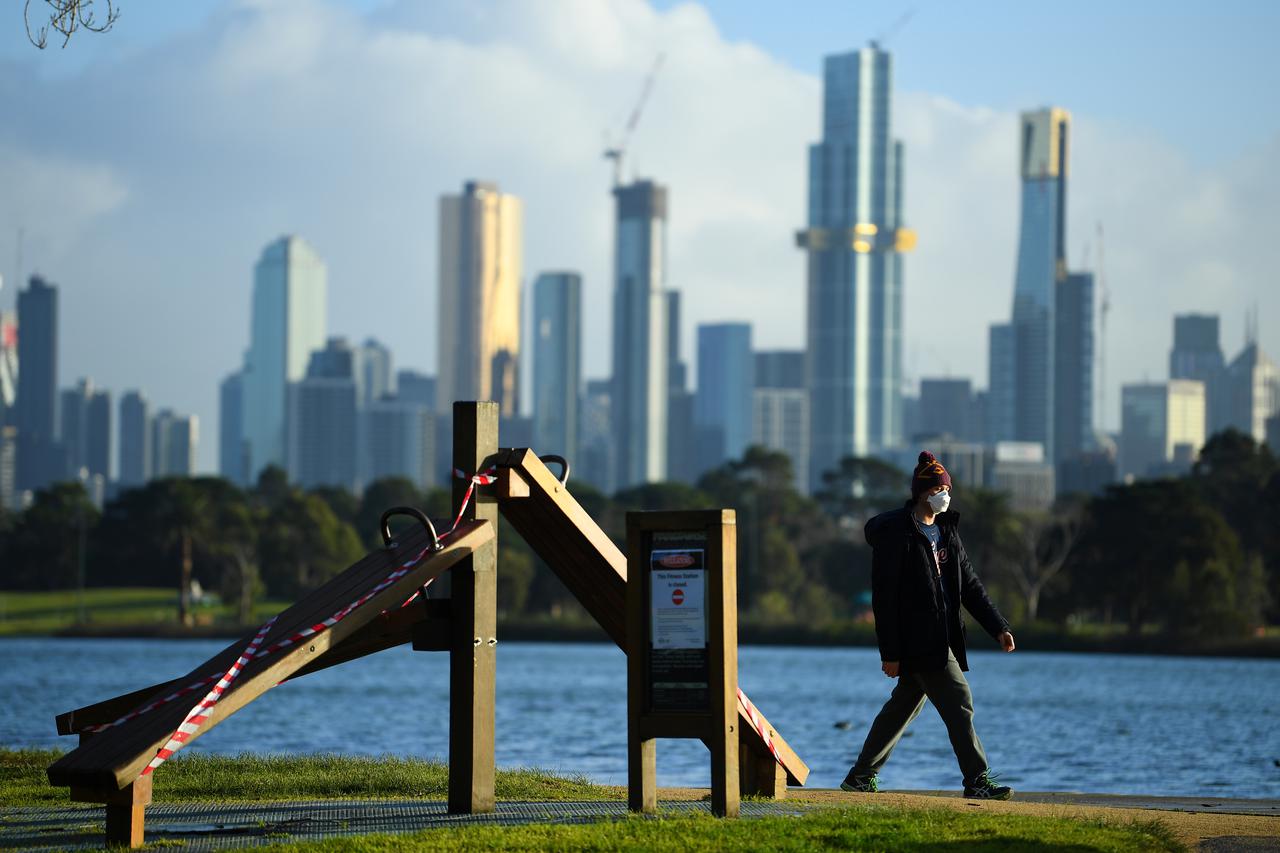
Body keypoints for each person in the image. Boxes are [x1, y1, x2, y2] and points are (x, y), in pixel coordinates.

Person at [840, 451, 1016, 800]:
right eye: (939, 488)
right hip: (918, 640)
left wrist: (998, 627)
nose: (945, 494)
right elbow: (884, 599)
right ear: (922, 493)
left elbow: (970, 586)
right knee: (959, 699)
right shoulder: (898, 535)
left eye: (947, 488)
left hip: (942, 636)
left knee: (903, 706)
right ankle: (977, 781)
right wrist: (890, 652)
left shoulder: (947, 531)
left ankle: (860, 776)